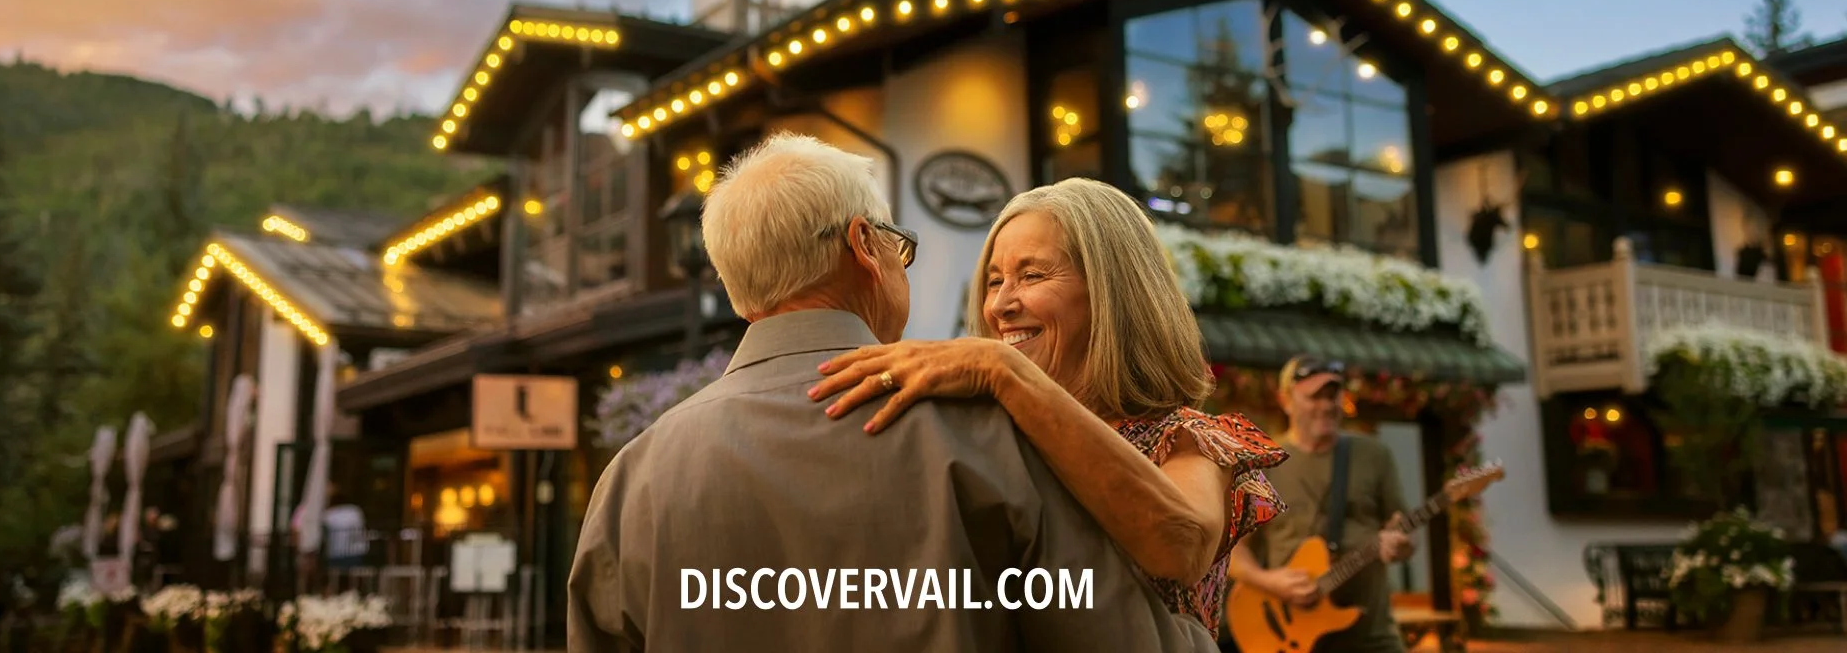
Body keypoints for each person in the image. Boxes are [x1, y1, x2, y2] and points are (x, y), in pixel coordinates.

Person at [565, 133, 1222, 653]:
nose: (1001, 304)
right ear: (865, 246)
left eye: (1032, 274)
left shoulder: (633, 480)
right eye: (898, 247)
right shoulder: (997, 436)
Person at [811, 178, 1287, 639]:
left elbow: (1181, 545)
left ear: (1112, 291)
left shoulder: (1189, 437)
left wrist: (1001, 368)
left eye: (1033, 275)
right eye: (994, 281)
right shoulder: (985, 430)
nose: (999, 305)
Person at [1226, 356, 1414, 653]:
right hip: (1293, 637)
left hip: (1372, 634)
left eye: (1333, 395)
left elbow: (1401, 526)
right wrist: (1268, 581)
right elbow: (1234, 551)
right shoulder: (1262, 466)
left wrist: (1401, 543)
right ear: (1285, 400)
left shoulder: (1374, 456)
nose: (1326, 406)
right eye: (1315, 396)